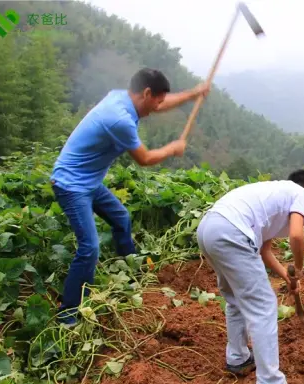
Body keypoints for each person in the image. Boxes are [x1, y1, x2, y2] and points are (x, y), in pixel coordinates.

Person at [51, 67, 211, 326]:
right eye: (155, 100)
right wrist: (172, 148)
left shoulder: (122, 97)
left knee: (121, 218)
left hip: (90, 181)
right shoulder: (119, 119)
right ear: (146, 93)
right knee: (89, 247)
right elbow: (145, 159)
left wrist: (193, 94)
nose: (156, 108)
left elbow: (159, 104)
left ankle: (129, 270)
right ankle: (68, 314)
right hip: (71, 185)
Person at [196, 170, 304, 384]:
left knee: (235, 300)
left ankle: (238, 358)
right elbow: (297, 235)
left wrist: (287, 276)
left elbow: (264, 250)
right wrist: (298, 269)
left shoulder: (272, 196)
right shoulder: (299, 193)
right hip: (231, 232)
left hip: (209, 229)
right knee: (264, 305)